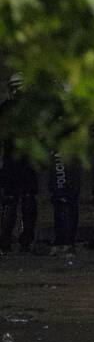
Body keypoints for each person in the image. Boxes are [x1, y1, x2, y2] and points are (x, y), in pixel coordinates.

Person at [0, 74, 38, 253]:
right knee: (28, 199)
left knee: (10, 200)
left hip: (11, 160)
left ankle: (5, 240)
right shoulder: (33, 109)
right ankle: (26, 240)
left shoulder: (5, 108)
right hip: (28, 159)